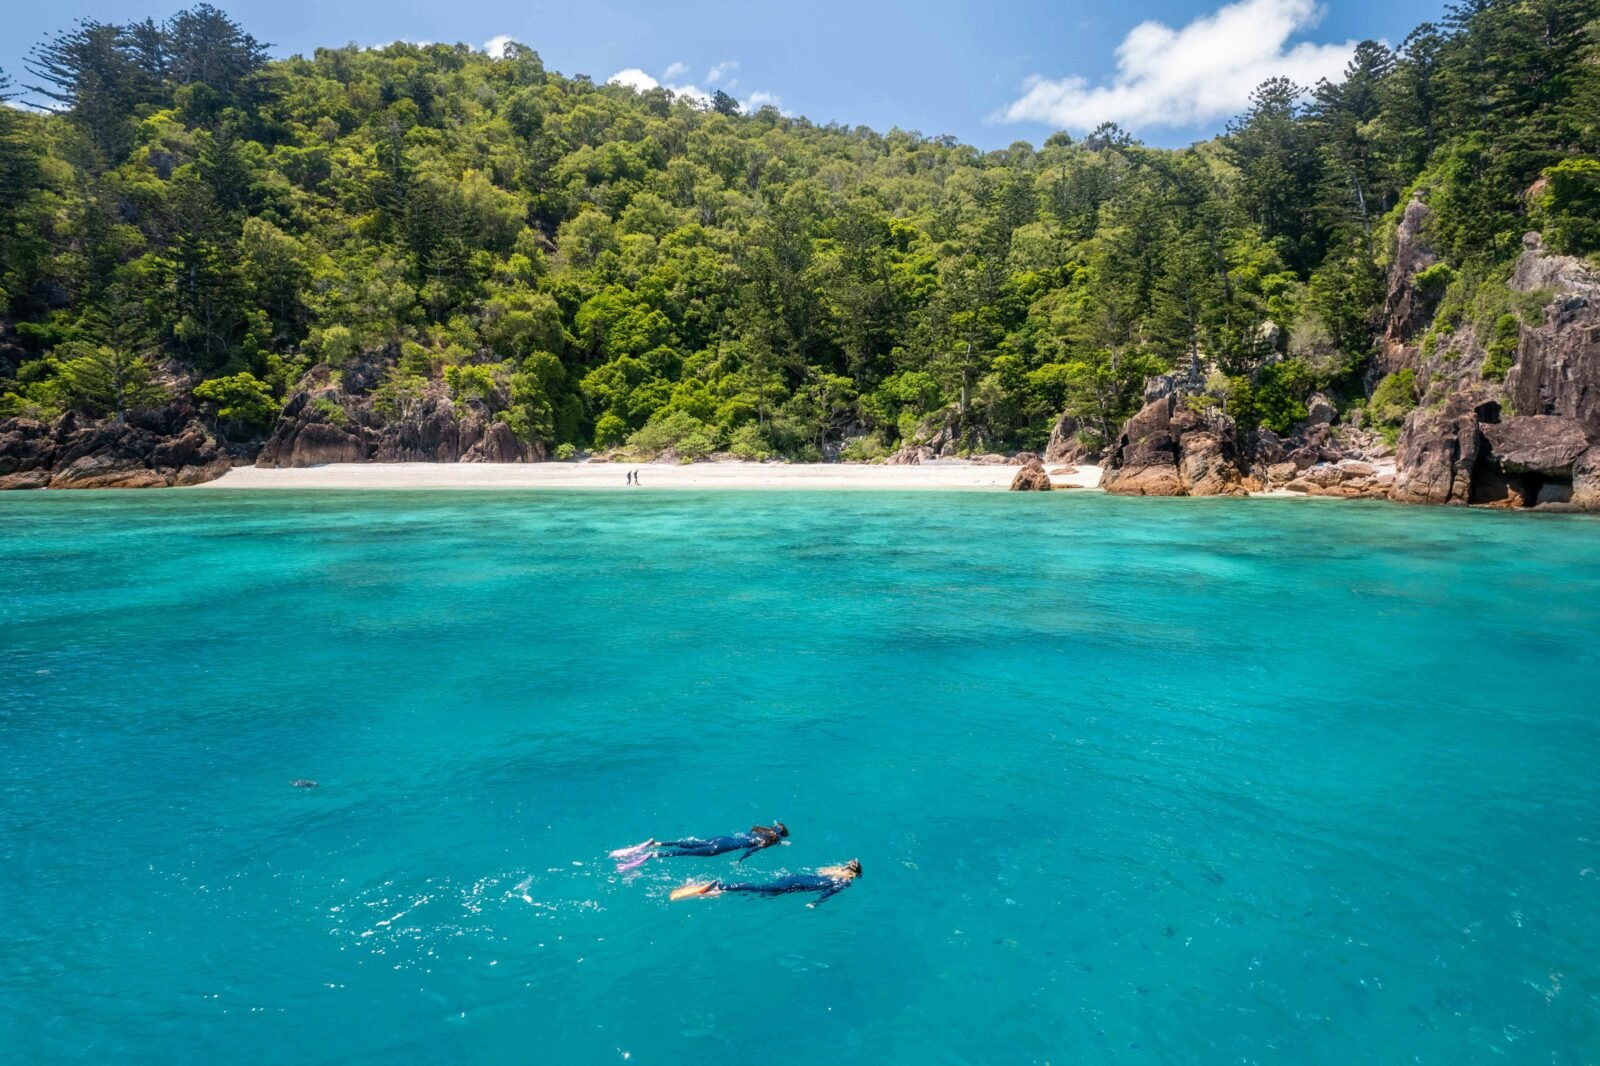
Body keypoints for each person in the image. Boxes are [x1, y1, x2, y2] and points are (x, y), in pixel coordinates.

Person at [670, 859, 862, 907]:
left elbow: (823, 881)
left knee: (759, 888)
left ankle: (720, 889)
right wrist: (815, 903)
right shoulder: (843, 880)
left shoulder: (838, 876)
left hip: (791, 879)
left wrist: (816, 901)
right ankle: (722, 887)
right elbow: (829, 892)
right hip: (789, 885)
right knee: (757, 889)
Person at [610, 823, 788, 871]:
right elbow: (750, 850)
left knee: (693, 843)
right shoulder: (766, 842)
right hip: (718, 850)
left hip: (722, 839)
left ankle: (656, 843)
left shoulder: (758, 830)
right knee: (686, 854)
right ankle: (654, 855)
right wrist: (740, 860)